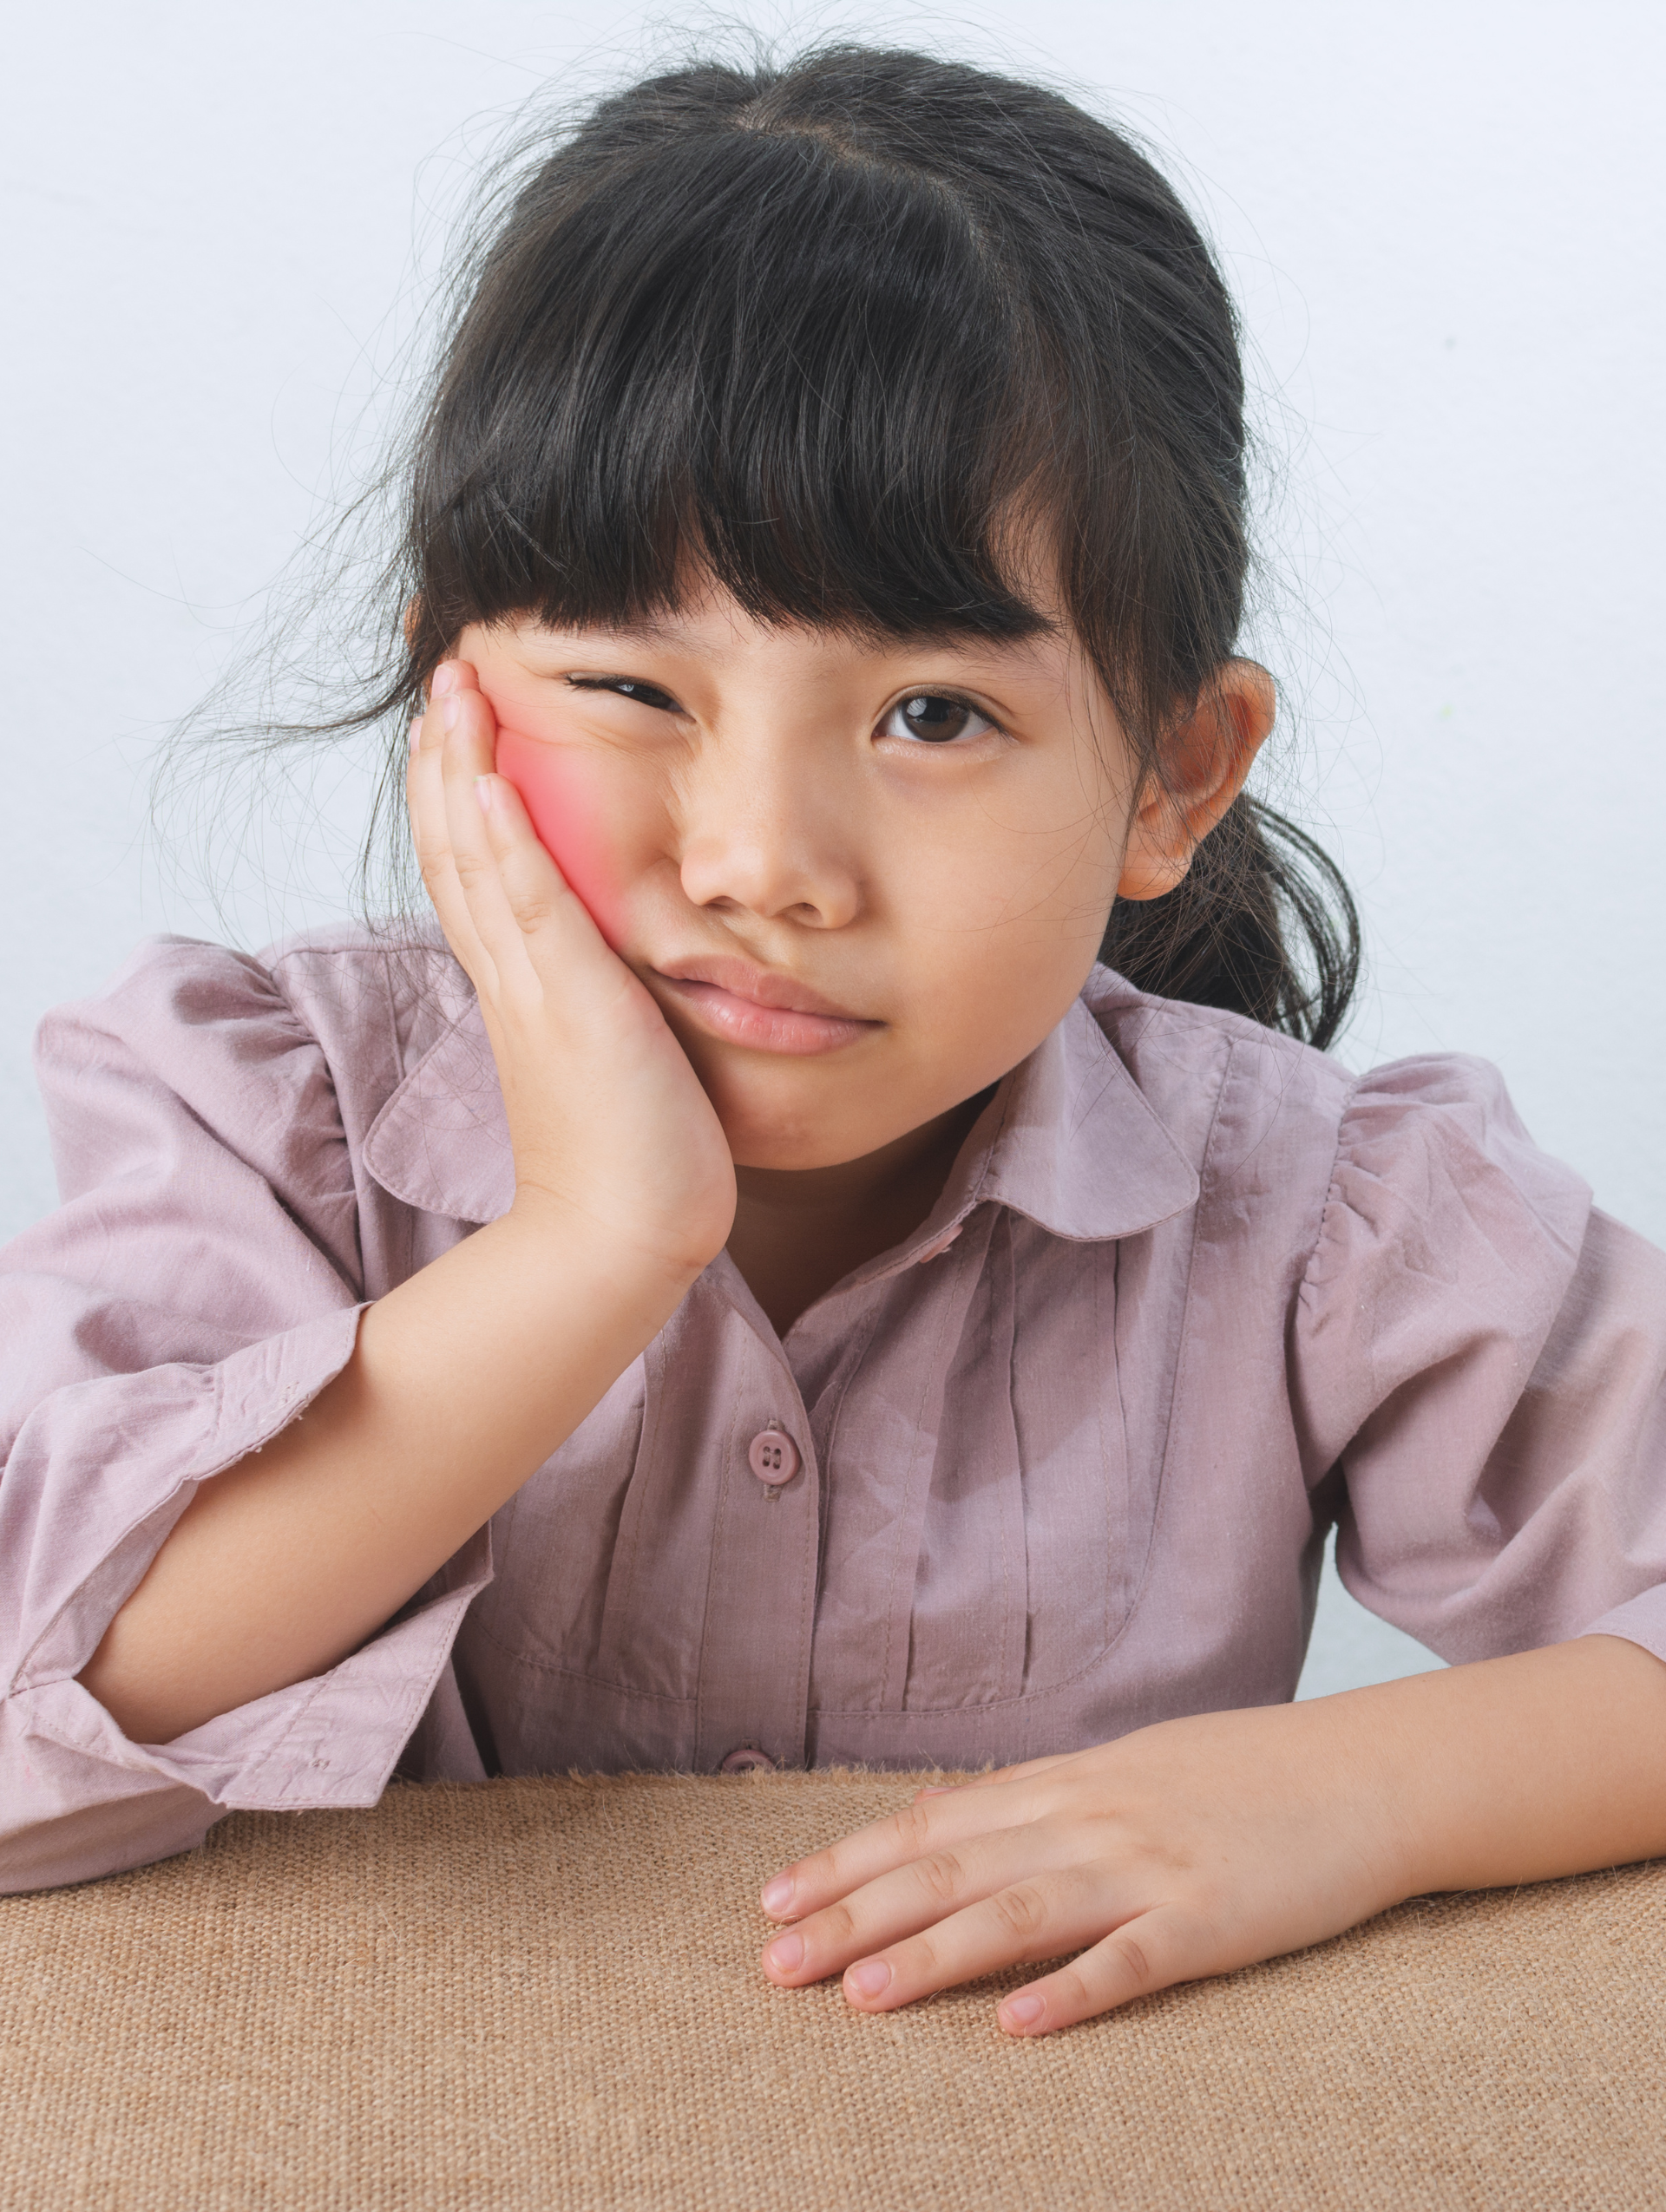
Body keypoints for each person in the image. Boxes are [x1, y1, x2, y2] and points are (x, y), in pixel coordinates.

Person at [3, 46, 1663, 2039]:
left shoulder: (1329, 1212)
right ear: (451, 690)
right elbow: (44, 1709)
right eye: (630, 683)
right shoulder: (262, 1118)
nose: (763, 864)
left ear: (1171, 772)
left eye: (935, 717)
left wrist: (1352, 1790)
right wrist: (594, 1245)